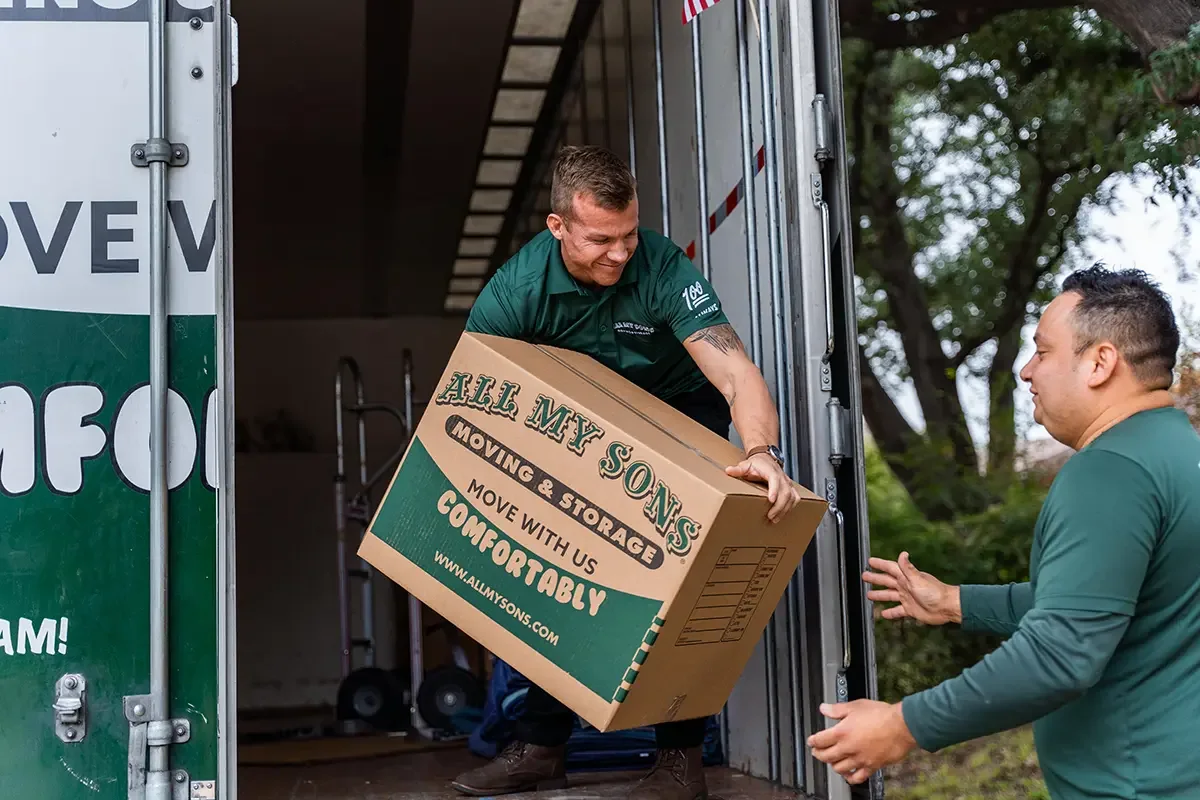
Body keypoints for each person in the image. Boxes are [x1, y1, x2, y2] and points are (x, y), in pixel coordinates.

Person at [448, 144, 803, 799]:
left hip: (676, 405)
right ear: (557, 228)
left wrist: (759, 450)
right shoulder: (516, 291)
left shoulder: (663, 267)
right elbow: (476, 398)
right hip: (579, 420)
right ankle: (539, 746)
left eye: (629, 235)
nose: (619, 253)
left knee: (684, 572)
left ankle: (679, 761)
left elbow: (733, 370)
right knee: (556, 569)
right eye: (600, 240)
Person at [807, 265, 1200, 798]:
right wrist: (955, 602)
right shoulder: (1178, 451)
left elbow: (1060, 655)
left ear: (1100, 363)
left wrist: (903, 724)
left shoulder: (1110, 472)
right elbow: (1099, 604)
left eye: (1042, 351)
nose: (1025, 370)